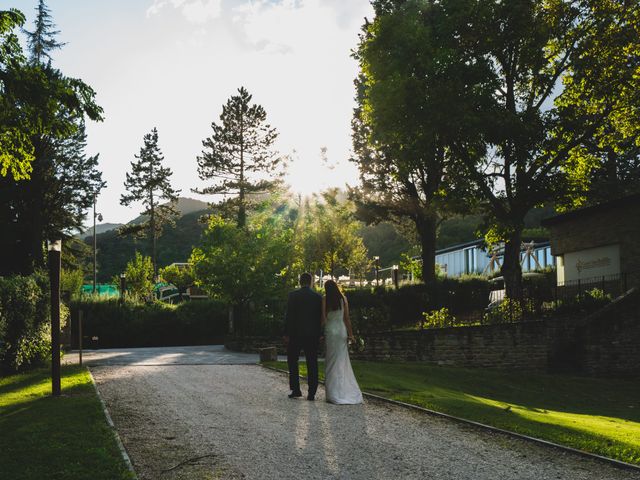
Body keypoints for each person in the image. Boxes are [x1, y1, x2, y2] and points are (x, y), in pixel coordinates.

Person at [322, 279, 363, 404]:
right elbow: (347, 319)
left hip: (330, 331)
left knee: (331, 361)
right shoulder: (343, 299)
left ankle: (332, 393)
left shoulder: (325, 299)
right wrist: (351, 335)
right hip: (341, 331)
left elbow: (323, 318)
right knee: (342, 361)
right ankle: (344, 390)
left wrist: (319, 331)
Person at [284, 272, 322, 401]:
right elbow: (320, 318)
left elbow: (289, 316)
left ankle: (296, 389)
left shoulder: (293, 296)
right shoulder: (317, 297)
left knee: (292, 361)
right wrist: (320, 333)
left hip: (295, 334)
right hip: (312, 334)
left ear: (300, 281)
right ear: (311, 282)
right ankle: (312, 392)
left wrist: (286, 333)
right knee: (312, 363)